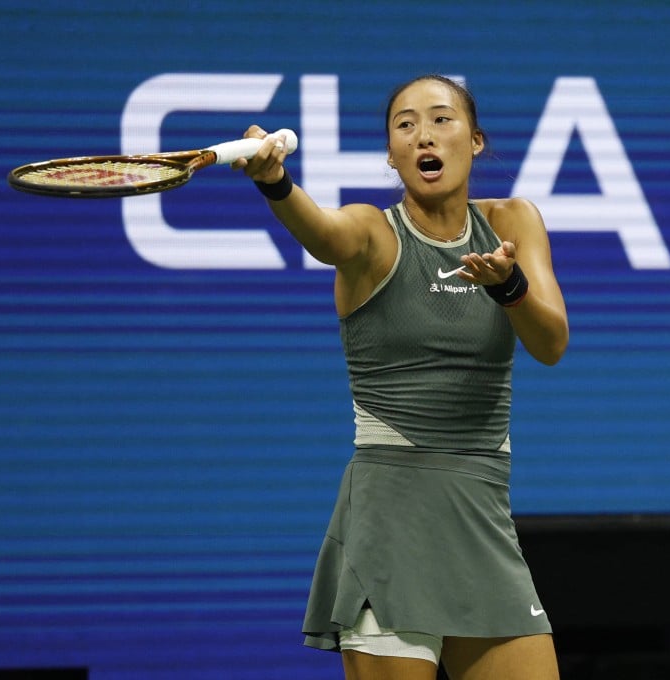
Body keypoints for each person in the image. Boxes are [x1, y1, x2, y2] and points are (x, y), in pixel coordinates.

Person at [233, 74, 568, 680]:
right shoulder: (371, 233)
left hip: (481, 515)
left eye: (441, 119)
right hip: (391, 522)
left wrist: (509, 287)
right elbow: (323, 233)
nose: (423, 136)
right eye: (405, 125)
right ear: (391, 154)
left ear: (475, 141)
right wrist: (277, 184)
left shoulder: (515, 222)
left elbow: (551, 343)